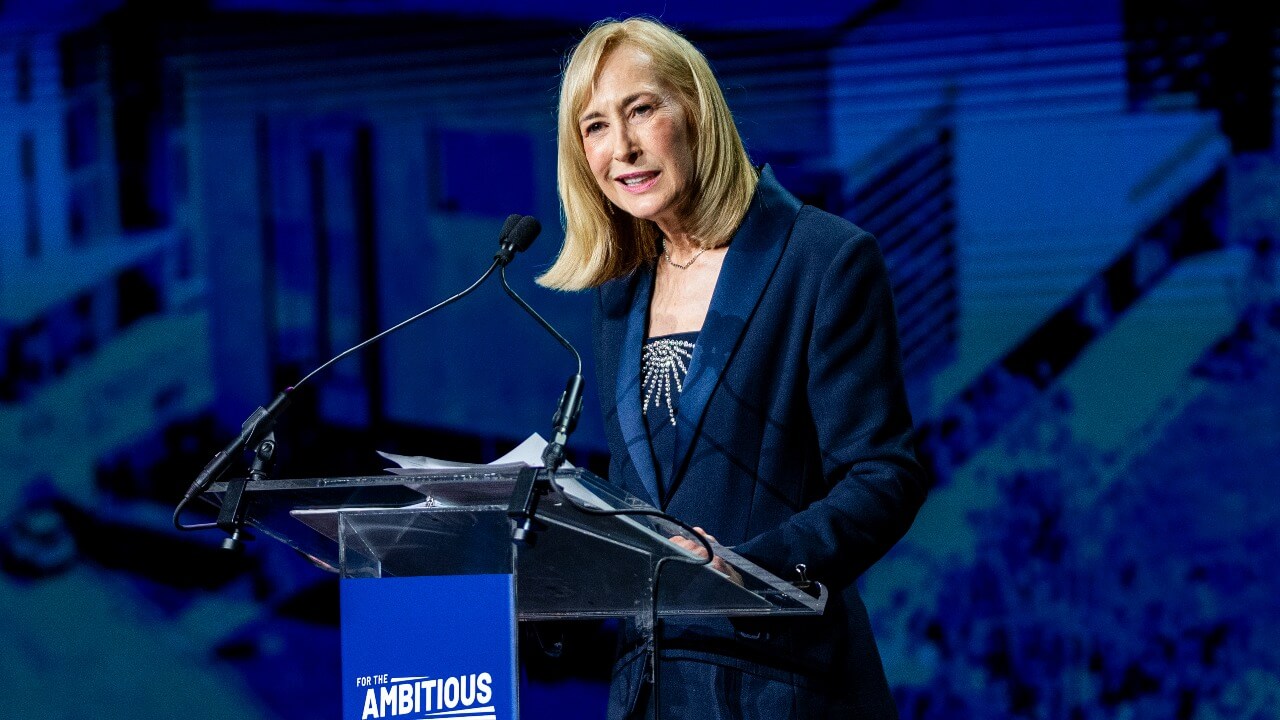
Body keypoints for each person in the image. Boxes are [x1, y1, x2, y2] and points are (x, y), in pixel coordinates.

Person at [538, 17, 929, 719]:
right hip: (649, 689)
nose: (621, 147)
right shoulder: (620, 291)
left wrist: (754, 570)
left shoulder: (822, 258)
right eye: (594, 126)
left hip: (779, 684)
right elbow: (646, 489)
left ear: (695, 109)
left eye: (641, 110)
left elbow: (884, 475)